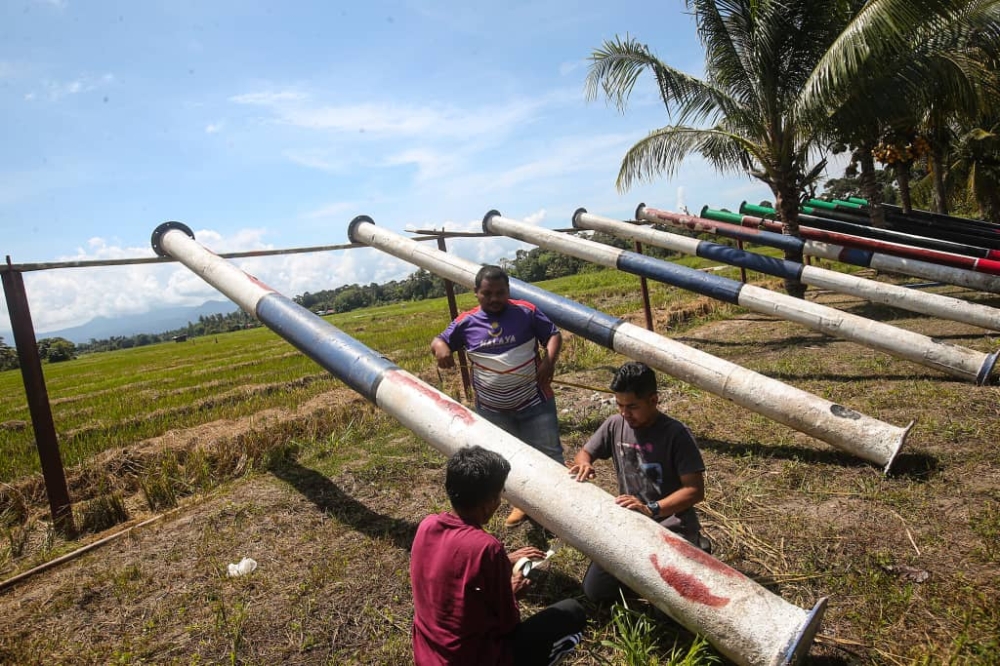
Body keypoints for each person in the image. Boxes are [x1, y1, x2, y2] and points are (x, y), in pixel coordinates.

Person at [410, 445, 586, 666]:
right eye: (499, 494)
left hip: (428, 656)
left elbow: (455, 565)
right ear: (488, 505)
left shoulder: (428, 525)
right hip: (474, 659)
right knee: (573, 612)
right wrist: (513, 593)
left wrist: (503, 561)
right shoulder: (486, 548)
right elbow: (508, 624)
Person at [431, 265, 563, 527]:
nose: (494, 299)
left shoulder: (526, 311)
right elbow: (439, 341)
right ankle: (522, 504)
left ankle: (558, 509)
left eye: (500, 292)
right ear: (476, 293)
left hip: (535, 402)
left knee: (549, 454)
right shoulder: (466, 322)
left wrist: (549, 361)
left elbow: (553, 335)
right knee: (506, 459)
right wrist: (442, 349)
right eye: (487, 293)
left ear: (508, 291)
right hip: (492, 410)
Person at [568, 361, 706, 603]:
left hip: (670, 523)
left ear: (653, 400)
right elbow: (585, 453)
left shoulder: (676, 434)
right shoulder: (615, 424)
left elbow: (694, 491)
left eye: (632, 406)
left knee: (669, 604)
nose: (624, 413)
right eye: (619, 405)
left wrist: (652, 509)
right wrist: (585, 463)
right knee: (596, 592)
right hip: (630, 521)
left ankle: (696, 546)